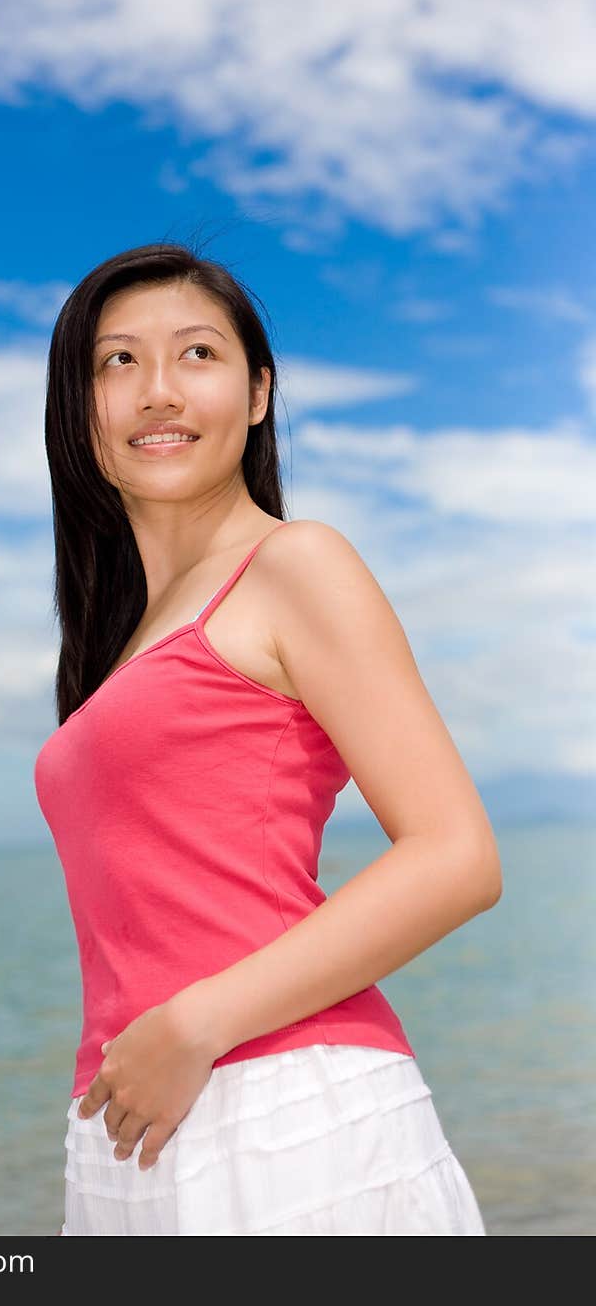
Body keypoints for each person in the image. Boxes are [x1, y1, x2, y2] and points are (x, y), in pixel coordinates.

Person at [34, 240, 500, 1235]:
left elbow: (456, 856)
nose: (157, 391)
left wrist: (197, 1023)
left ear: (256, 394)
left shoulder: (296, 564)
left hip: (284, 1117)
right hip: (135, 1125)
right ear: (81, 410)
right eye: (117, 361)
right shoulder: (118, 645)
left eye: (196, 354)